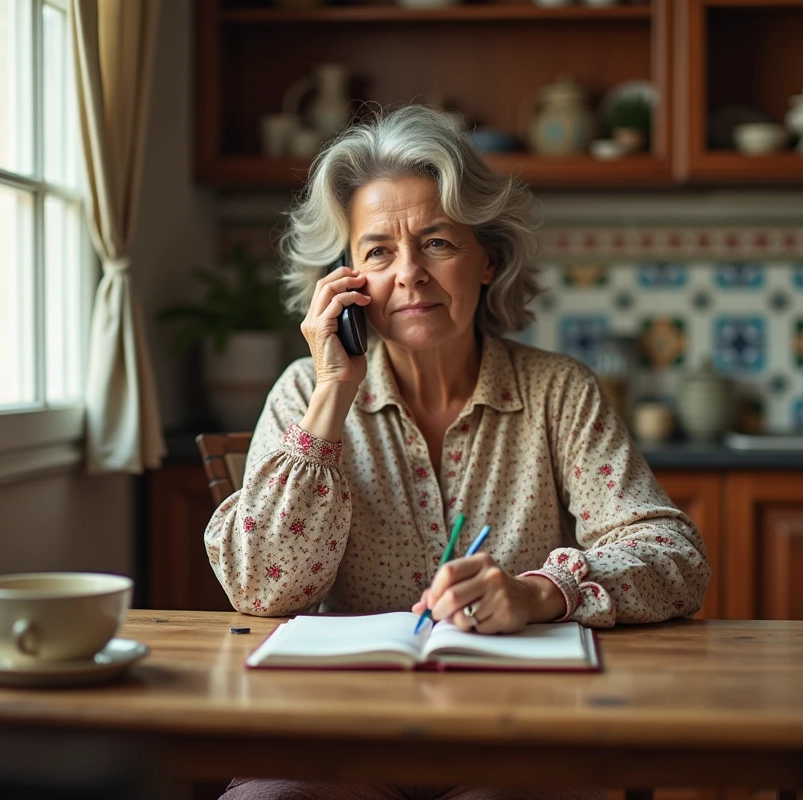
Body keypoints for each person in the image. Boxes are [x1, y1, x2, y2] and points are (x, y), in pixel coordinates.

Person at [205, 105, 710, 800]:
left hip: (514, 735)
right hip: (339, 734)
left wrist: (541, 593)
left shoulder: (557, 391)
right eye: (378, 251)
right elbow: (263, 587)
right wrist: (332, 394)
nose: (408, 274)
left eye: (437, 242)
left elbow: (673, 557)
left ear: (487, 260)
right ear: (348, 278)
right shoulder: (304, 391)